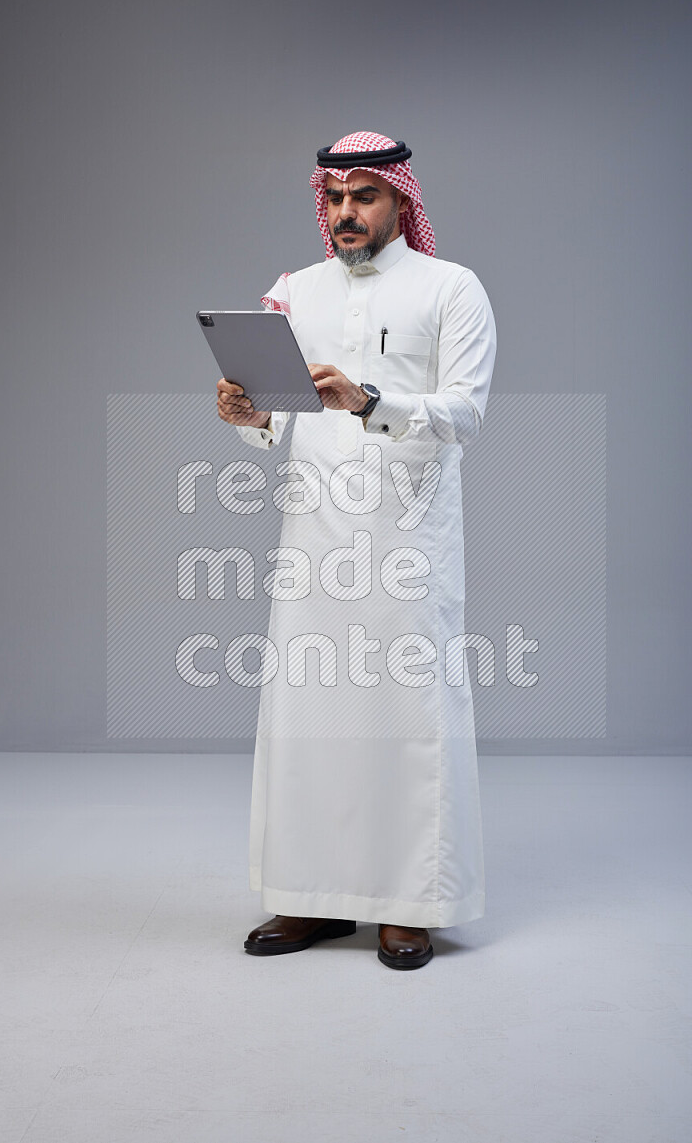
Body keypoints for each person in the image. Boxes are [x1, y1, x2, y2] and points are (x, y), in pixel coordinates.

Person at [216, 131, 497, 970]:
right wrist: (255, 418)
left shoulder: (453, 287)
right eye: (335, 197)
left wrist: (372, 399)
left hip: (407, 537)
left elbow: (466, 411)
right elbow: (285, 414)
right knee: (308, 716)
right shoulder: (294, 292)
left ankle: (408, 904)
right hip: (314, 535)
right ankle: (308, 899)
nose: (346, 212)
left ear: (401, 200)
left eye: (364, 195)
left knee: (405, 717)